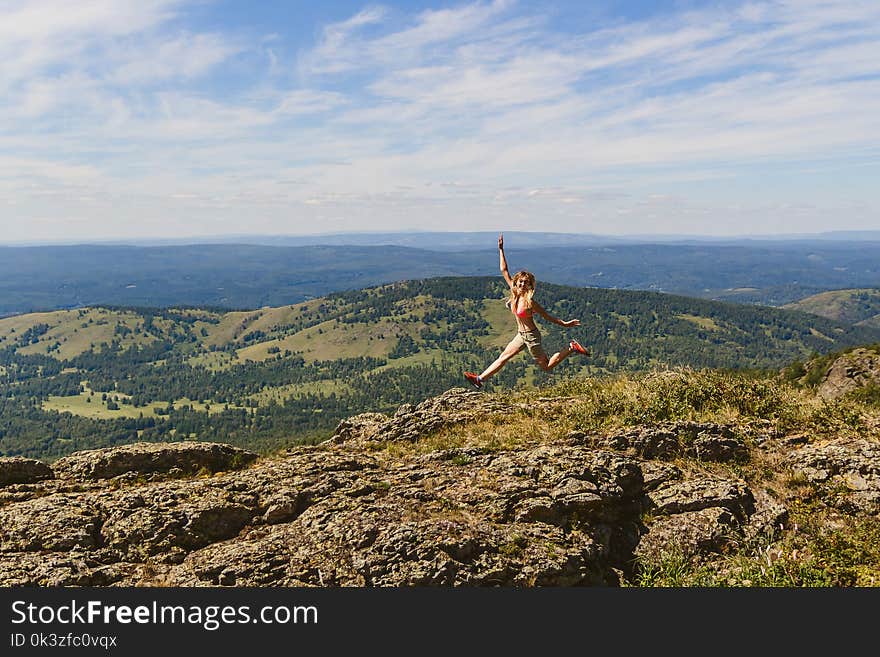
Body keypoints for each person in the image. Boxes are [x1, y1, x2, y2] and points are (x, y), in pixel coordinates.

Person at [464, 233, 589, 388]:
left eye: (526, 282)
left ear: (530, 285)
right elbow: (504, 270)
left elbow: (547, 317)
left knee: (546, 366)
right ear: (517, 282)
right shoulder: (514, 291)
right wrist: (501, 249)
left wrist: (565, 324)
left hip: (531, 337)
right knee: (504, 356)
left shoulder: (530, 303)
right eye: (521, 281)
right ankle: (479, 379)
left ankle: (571, 347)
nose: (522, 284)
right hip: (520, 335)